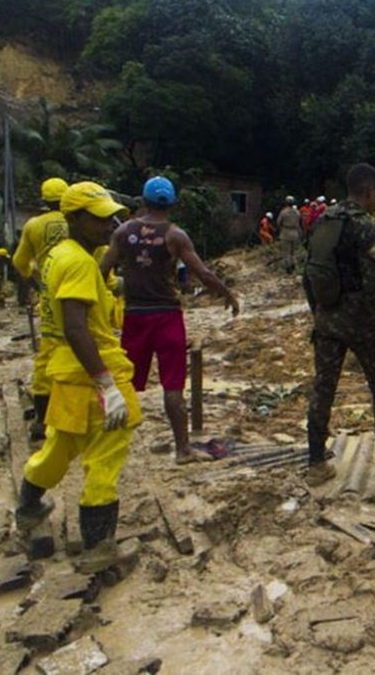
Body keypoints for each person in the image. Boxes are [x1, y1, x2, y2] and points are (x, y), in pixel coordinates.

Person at [14, 182, 142, 572]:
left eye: (111, 217)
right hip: (91, 371)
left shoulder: (57, 255)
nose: (110, 225)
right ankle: (99, 546)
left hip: (66, 372)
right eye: (99, 218)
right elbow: (75, 326)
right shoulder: (80, 263)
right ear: (72, 218)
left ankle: (30, 505)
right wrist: (107, 384)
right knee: (106, 454)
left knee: (60, 444)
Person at [101, 175, 240, 464]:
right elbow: (203, 273)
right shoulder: (175, 235)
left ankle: (104, 445)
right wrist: (227, 294)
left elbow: (100, 270)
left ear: (142, 200)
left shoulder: (123, 232)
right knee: (173, 387)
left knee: (124, 383)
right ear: (173, 204)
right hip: (167, 316)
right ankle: (182, 450)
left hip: (134, 316)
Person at [302, 163, 375, 487]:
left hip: (328, 317)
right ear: (370, 191)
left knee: (323, 387)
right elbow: (374, 286)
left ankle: (316, 462)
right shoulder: (363, 227)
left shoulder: (323, 222)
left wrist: (318, 311)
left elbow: (309, 273)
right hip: (360, 320)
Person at [12, 177, 70, 438]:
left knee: (47, 354)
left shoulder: (33, 225)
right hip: (81, 292)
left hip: (49, 297)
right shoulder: (79, 222)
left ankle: (43, 420)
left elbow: (20, 261)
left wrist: (37, 282)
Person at [275, 196, 303, 273]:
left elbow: (278, 222)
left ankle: (288, 268)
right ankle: (294, 265)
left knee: (286, 252)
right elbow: (300, 222)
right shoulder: (297, 212)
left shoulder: (283, 212)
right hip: (295, 232)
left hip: (286, 232)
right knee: (293, 252)